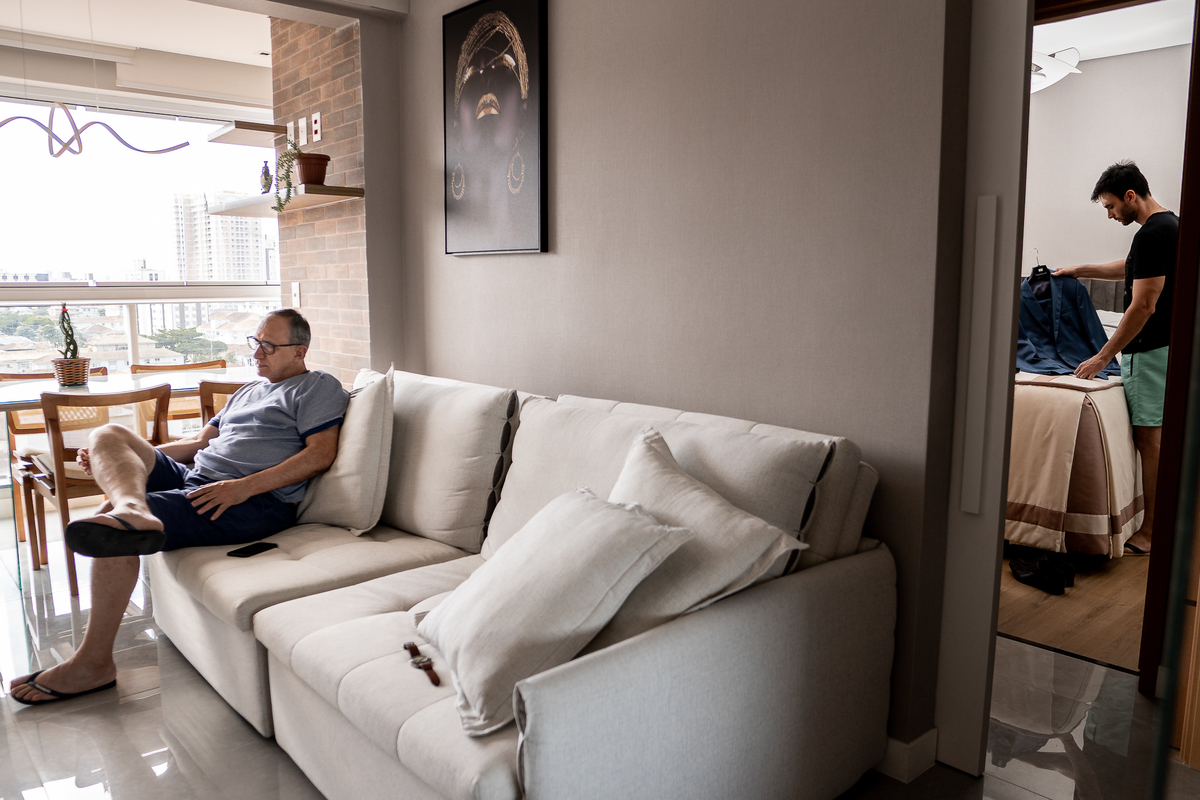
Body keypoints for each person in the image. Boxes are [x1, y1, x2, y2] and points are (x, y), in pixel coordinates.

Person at [9, 309, 349, 705]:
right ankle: (132, 506)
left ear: (299, 351)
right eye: (256, 343)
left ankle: (93, 663)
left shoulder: (316, 387)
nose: (258, 353)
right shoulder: (247, 391)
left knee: (114, 528)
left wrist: (243, 488)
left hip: (252, 501)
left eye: (270, 346)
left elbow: (320, 455)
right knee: (108, 434)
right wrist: (123, 457)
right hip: (196, 479)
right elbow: (195, 446)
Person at [1052, 161, 1177, 555]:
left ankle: (1152, 532)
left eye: (1110, 207)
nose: (1109, 215)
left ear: (1130, 196)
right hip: (1168, 350)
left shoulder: (1150, 236)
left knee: (1150, 441)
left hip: (1150, 352)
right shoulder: (1170, 226)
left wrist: (1103, 357)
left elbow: (1142, 307)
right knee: (1161, 439)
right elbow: (1129, 270)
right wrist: (1078, 269)